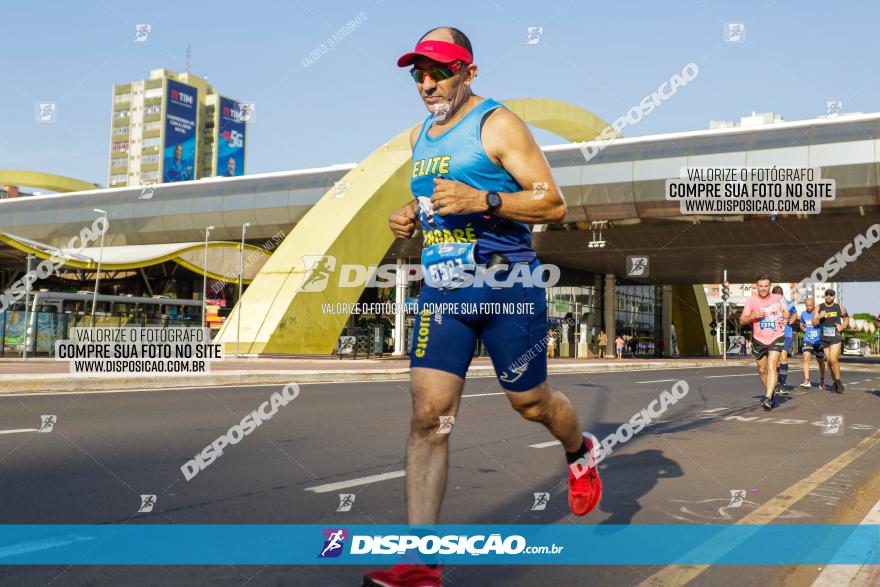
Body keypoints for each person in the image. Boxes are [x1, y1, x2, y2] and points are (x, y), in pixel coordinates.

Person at [365, 27, 603, 587]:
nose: (427, 82)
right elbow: (438, 200)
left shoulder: (497, 123)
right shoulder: (422, 135)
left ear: (469, 71)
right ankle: (420, 562)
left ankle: (579, 448)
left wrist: (486, 200)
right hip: (444, 290)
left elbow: (553, 203)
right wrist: (412, 213)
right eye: (417, 72)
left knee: (531, 403)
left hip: (507, 286)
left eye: (439, 70)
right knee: (429, 417)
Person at [739, 274, 789, 410]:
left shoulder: (778, 298)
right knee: (762, 370)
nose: (763, 289)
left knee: (772, 365)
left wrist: (785, 318)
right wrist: (753, 316)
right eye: (760, 286)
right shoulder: (751, 301)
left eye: (766, 286)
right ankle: (771, 391)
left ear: (769, 286)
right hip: (759, 339)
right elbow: (742, 320)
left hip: (776, 336)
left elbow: (786, 311)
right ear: (757, 286)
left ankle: (767, 398)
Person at [813, 289, 848, 393]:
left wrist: (842, 326)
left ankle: (838, 381)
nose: (829, 297)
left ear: (834, 296)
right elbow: (814, 323)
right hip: (824, 338)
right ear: (825, 296)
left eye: (831, 295)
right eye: (827, 295)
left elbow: (846, 319)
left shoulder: (839, 307)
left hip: (835, 337)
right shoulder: (819, 307)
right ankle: (835, 383)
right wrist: (819, 316)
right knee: (828, 362)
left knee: (833, 359)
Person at [770, 286, 798, 395]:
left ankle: (783, 384)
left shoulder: (788, 303)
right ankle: (776, 382)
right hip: (774, 335)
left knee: (783, 356)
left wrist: (792, 319)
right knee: (775, 360)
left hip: (786, 334)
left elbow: (794, 314)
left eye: (780, 296)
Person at [798, 297, 826, 388]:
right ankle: (807, 380)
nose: (808, 307)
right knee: (806, 358)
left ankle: (822, 378)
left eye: (810, 305)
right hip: (807, 339)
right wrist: (802, 328)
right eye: (807, 305)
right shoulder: (803, 314)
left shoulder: (818, 314)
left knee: (820, 361)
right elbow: (801, 324)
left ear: (814, 305)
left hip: (818, 340)